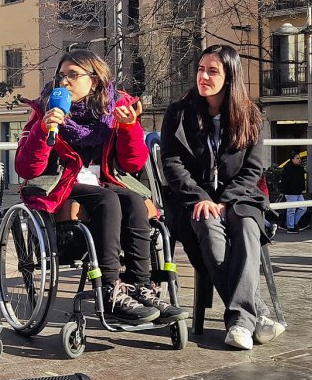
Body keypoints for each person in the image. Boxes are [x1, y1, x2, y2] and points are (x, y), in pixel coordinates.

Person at [14, 48, 184, 325]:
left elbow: (132, 164)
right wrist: (42, 131)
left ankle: (140, 286)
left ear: (93, 81)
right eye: (61, 76)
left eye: (73, 75)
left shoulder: (115, 109)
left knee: (133, 201)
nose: (65, 82)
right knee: (108, 200)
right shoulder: (46, 109)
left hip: (104, 180)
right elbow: (25, 169)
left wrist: (129, 129)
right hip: (60, 182)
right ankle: (109, 289)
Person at [161, 44, 282, 351]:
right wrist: (201, 197)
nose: (203, 76)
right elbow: (172, 164)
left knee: (245, 225)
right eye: (200, 70)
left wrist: (226, 199)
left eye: (212, 71)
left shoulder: (251, 116)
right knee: (207, 223)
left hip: (240, 198)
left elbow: (254, 167)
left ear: (229, 76)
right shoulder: (179, 113)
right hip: (192, 201)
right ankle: (255, 316)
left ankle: (241, 320)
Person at [280, 154, 308, 234]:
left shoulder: (300, 168)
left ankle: (292, 223)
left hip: (298, 192)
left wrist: (302, 189)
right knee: (291, 209)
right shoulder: (288, 168)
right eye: (297, 158)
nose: (299, 160)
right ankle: (290, 227)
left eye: (300, 158)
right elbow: (284, 181)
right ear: (292, 159)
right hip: (290, 192)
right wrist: (283, 191)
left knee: (303, 208)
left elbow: (302, 180)